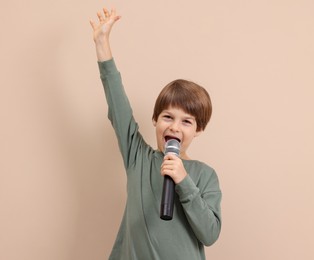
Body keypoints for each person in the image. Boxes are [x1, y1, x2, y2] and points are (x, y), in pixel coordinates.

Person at [90, 8, 222, 260]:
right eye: (167, 117)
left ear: (199, 129)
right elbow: (118, 104)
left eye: (186, 121)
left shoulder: (205, 176)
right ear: (155, 120)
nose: (174, 127)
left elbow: (210, 233)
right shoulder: (137, 158)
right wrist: (102, 44)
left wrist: (184, 182)